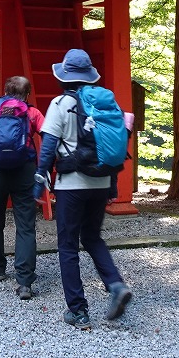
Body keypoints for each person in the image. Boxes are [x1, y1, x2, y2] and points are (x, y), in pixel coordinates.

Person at [35, 49, 132, 330]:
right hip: (101, 181)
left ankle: (78, 311)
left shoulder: (60, 103)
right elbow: (114, 145)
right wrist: (112, 185)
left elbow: (49, 146)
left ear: (64, 76)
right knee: (92, 237)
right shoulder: (106, 103)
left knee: (68, 244)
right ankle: (115, 285)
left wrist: (40, 179)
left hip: (72, 185)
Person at [0, 76, 44, 300]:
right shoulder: (32, 113)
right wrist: (45, 168)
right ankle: (24, 282)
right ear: (27, 94)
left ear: (5, 91)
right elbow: (48, 136)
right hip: (24, 171)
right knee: (25, 226)